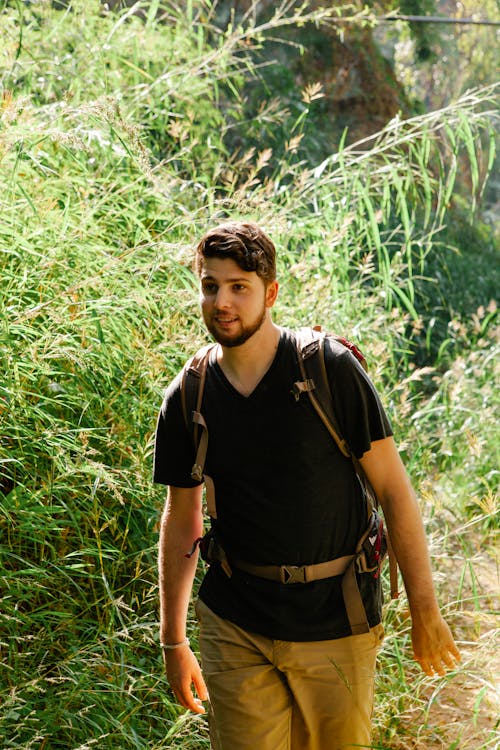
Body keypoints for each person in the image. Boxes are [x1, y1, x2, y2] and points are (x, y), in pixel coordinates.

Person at [154, 221, 460, 750]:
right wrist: (173, 640)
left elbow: (394, 491)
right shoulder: (190, 395)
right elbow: (183, 519)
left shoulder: (328, 370)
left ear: (270, 293)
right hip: (237, 621)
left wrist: (424, 612)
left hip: (336, 621)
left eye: (239, 287)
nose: (221, 302)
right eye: (210, 286)